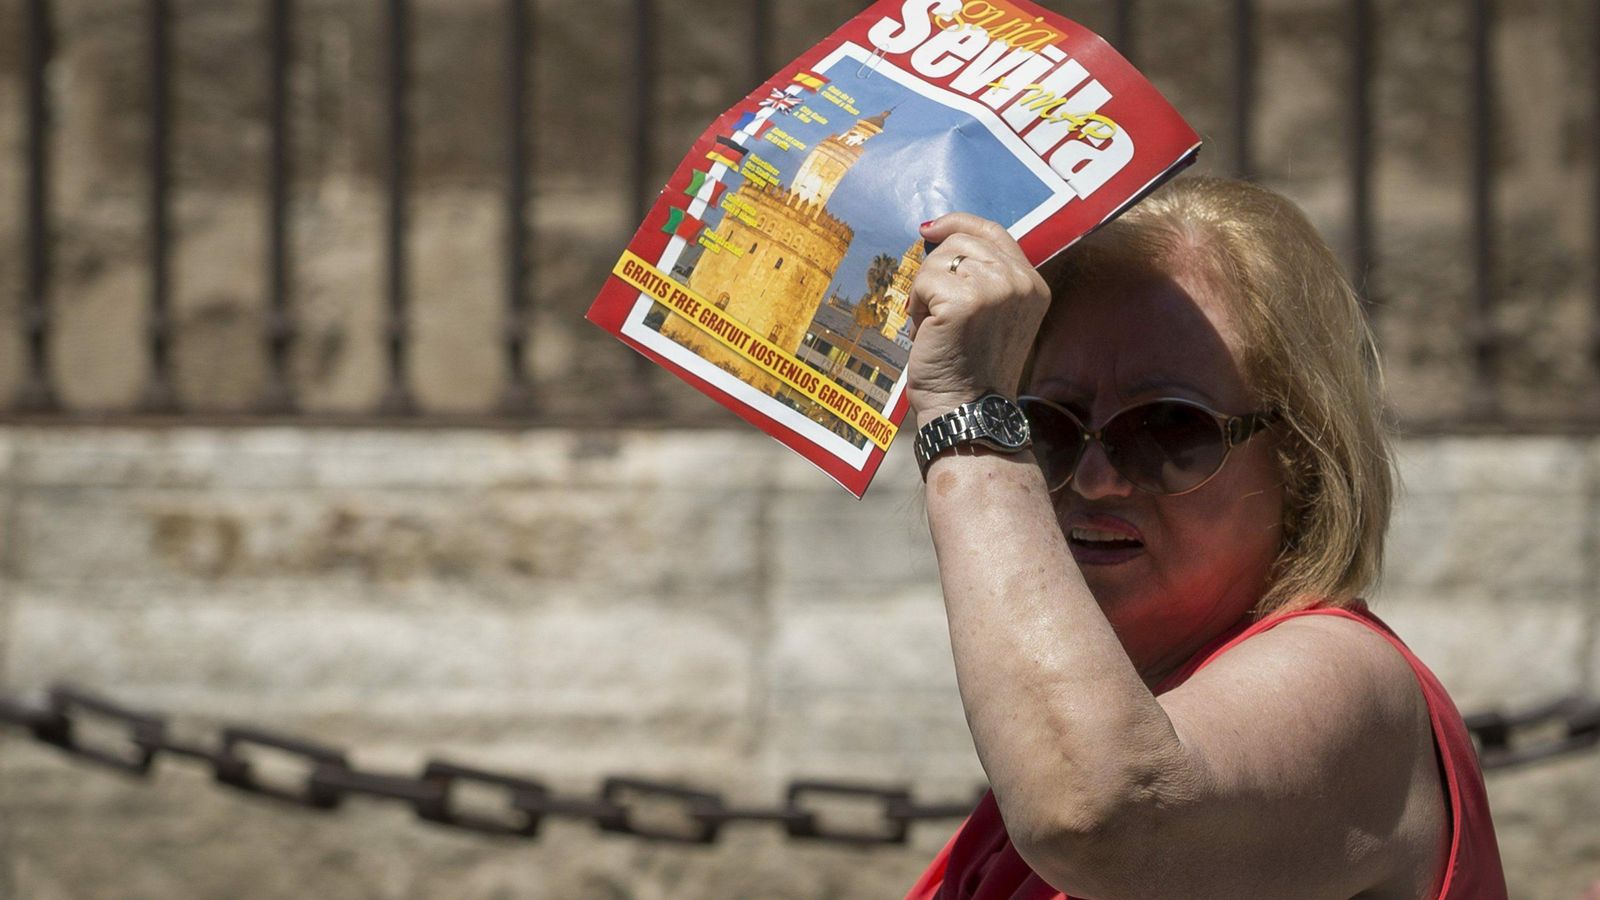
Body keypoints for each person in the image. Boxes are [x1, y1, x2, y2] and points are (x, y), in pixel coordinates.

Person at [899, 176, 1507, 899]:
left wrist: (965, 417)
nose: (1096, 478)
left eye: (1167, 428)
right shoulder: (1085, 725)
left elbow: (1100, 815)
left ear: (1301, 458)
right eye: (1048, 423)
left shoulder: (1347, 677)